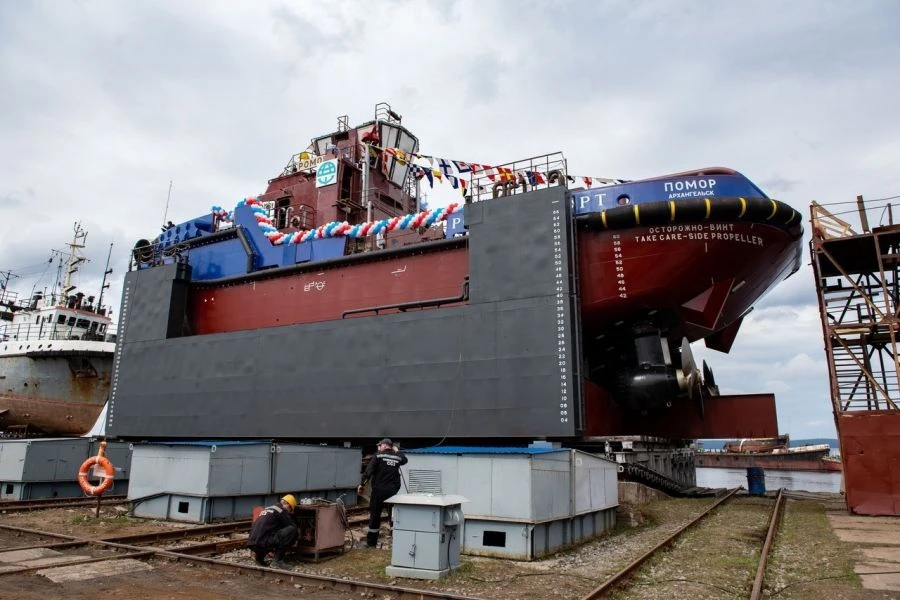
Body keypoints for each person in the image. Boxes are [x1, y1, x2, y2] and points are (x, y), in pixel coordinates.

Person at [358, 438, 407, 548]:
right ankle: (396, 542)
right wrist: (397, 450)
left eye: (380, 446)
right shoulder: (397, 457)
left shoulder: (378, 456)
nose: (379, 448)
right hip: (392, 492)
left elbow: (368, 471)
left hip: (378, 492)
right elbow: (405, 460)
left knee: (375, 515)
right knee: (393, 516)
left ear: (384, 446)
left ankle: (371, 543)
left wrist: (362, 484)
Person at [247, 494, 299, 569]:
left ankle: (259, 559)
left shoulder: (268, 508)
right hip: (264, 542)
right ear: (287, 504)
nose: (289, 512)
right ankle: (277, 561)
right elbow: (292, 525)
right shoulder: (281, 510)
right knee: (292, 529)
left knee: (267, 534)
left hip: (252, 542)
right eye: (290, 509)